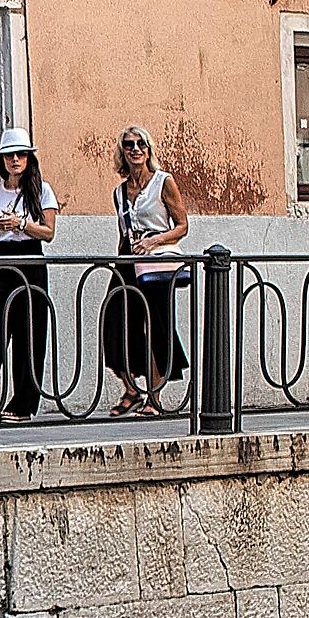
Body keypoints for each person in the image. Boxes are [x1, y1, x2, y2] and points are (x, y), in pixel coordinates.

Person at [0, 127, 59, 422]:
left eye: (20, 154)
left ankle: (23, 403)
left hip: (30, 260)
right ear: (1, 160)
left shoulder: (42, 190)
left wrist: (20, 224)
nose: (15, 160)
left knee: (29, 332)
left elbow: (49, 232)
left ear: (29, 158)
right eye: (9, 155)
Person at [98, 125, 190, 415]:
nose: (135, 149)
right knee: (113, 321)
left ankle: (154, 397)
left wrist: (154, 241)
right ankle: (131, 389)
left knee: (155, 326)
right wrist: (118, 262)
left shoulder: (163, 182)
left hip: (156, 262)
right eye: (129, 144)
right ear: (122, 152)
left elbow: (182, 226)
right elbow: (122, 233)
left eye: (141, 144)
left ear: (149, 149)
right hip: (128, 261)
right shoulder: (119, 192)